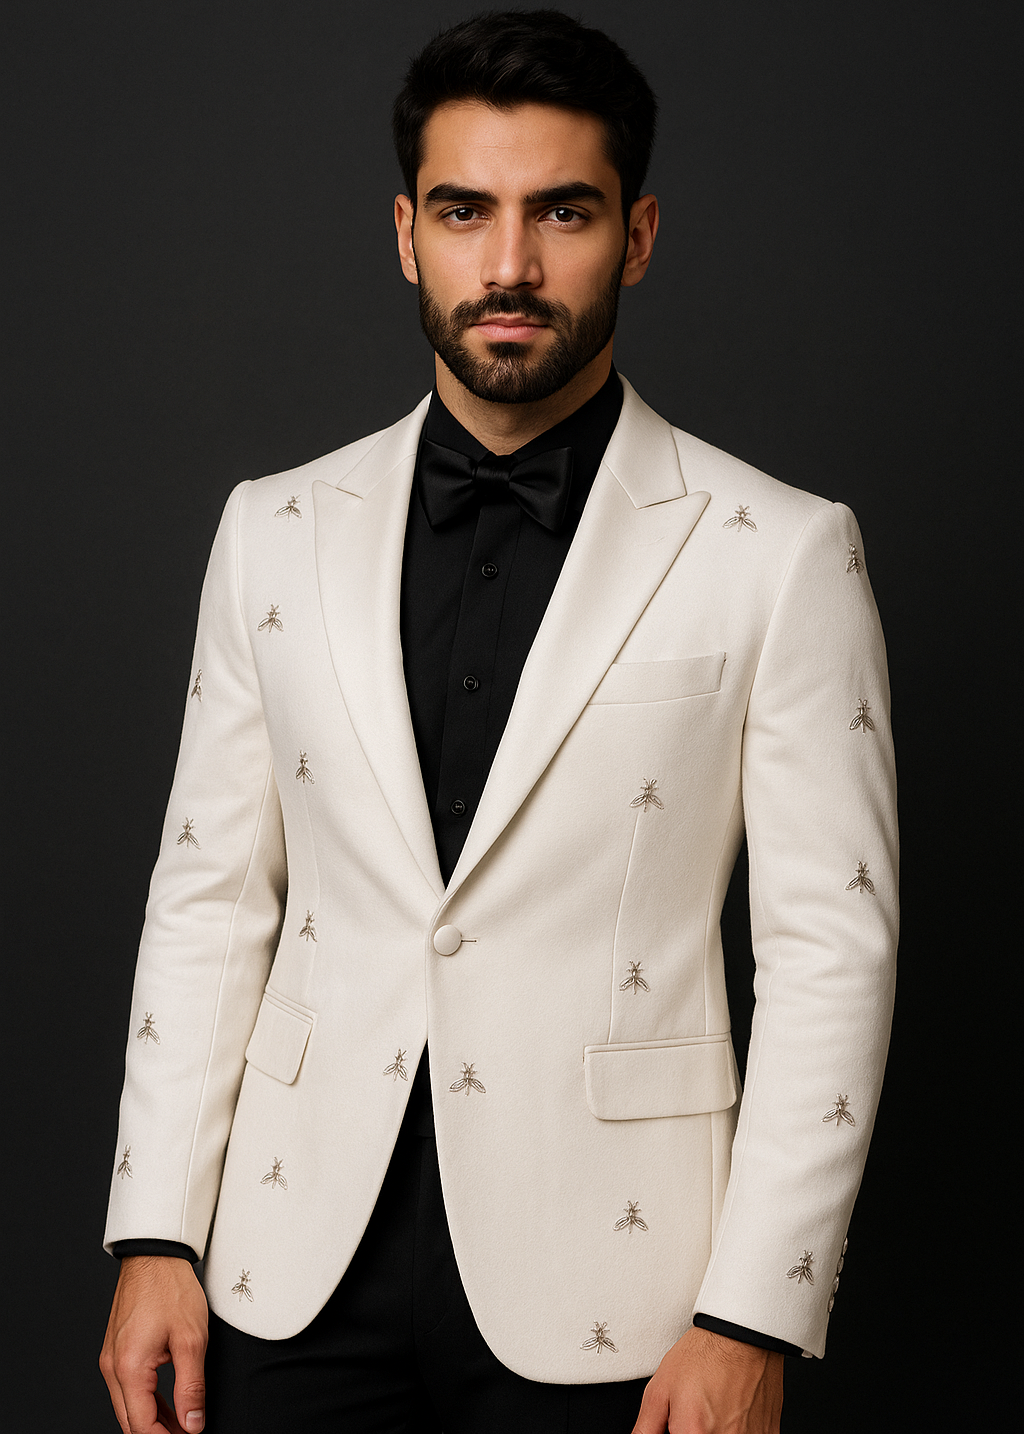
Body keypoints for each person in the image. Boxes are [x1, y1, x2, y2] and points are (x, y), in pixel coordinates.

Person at [99, 11, 897, 1433]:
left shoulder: (781, 552)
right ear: (407, 234)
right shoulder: (272, 529)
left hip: (622, 1291)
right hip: (287, 1262)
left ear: (636, 237)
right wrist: (158, 1229)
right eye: (466, 211)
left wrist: (753, 1311)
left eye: (563, 213)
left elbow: (831, 951)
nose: (510, 264)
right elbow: (210, 894)